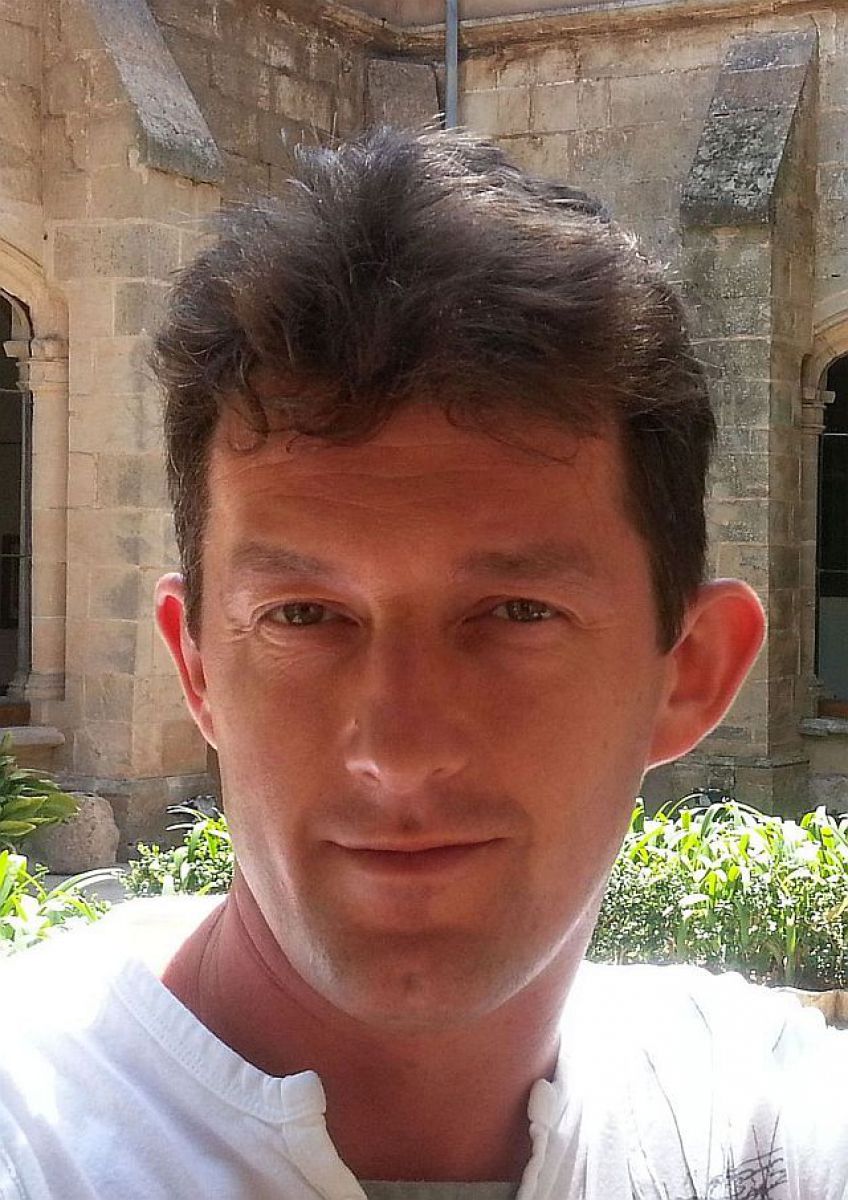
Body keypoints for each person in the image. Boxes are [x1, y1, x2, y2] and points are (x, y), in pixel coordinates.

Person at [0, 127, 844, 1200]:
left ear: (689, 674)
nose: (397, 752)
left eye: (516, 613)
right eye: (304, 616)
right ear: (197, 667)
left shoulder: (755, 1123)